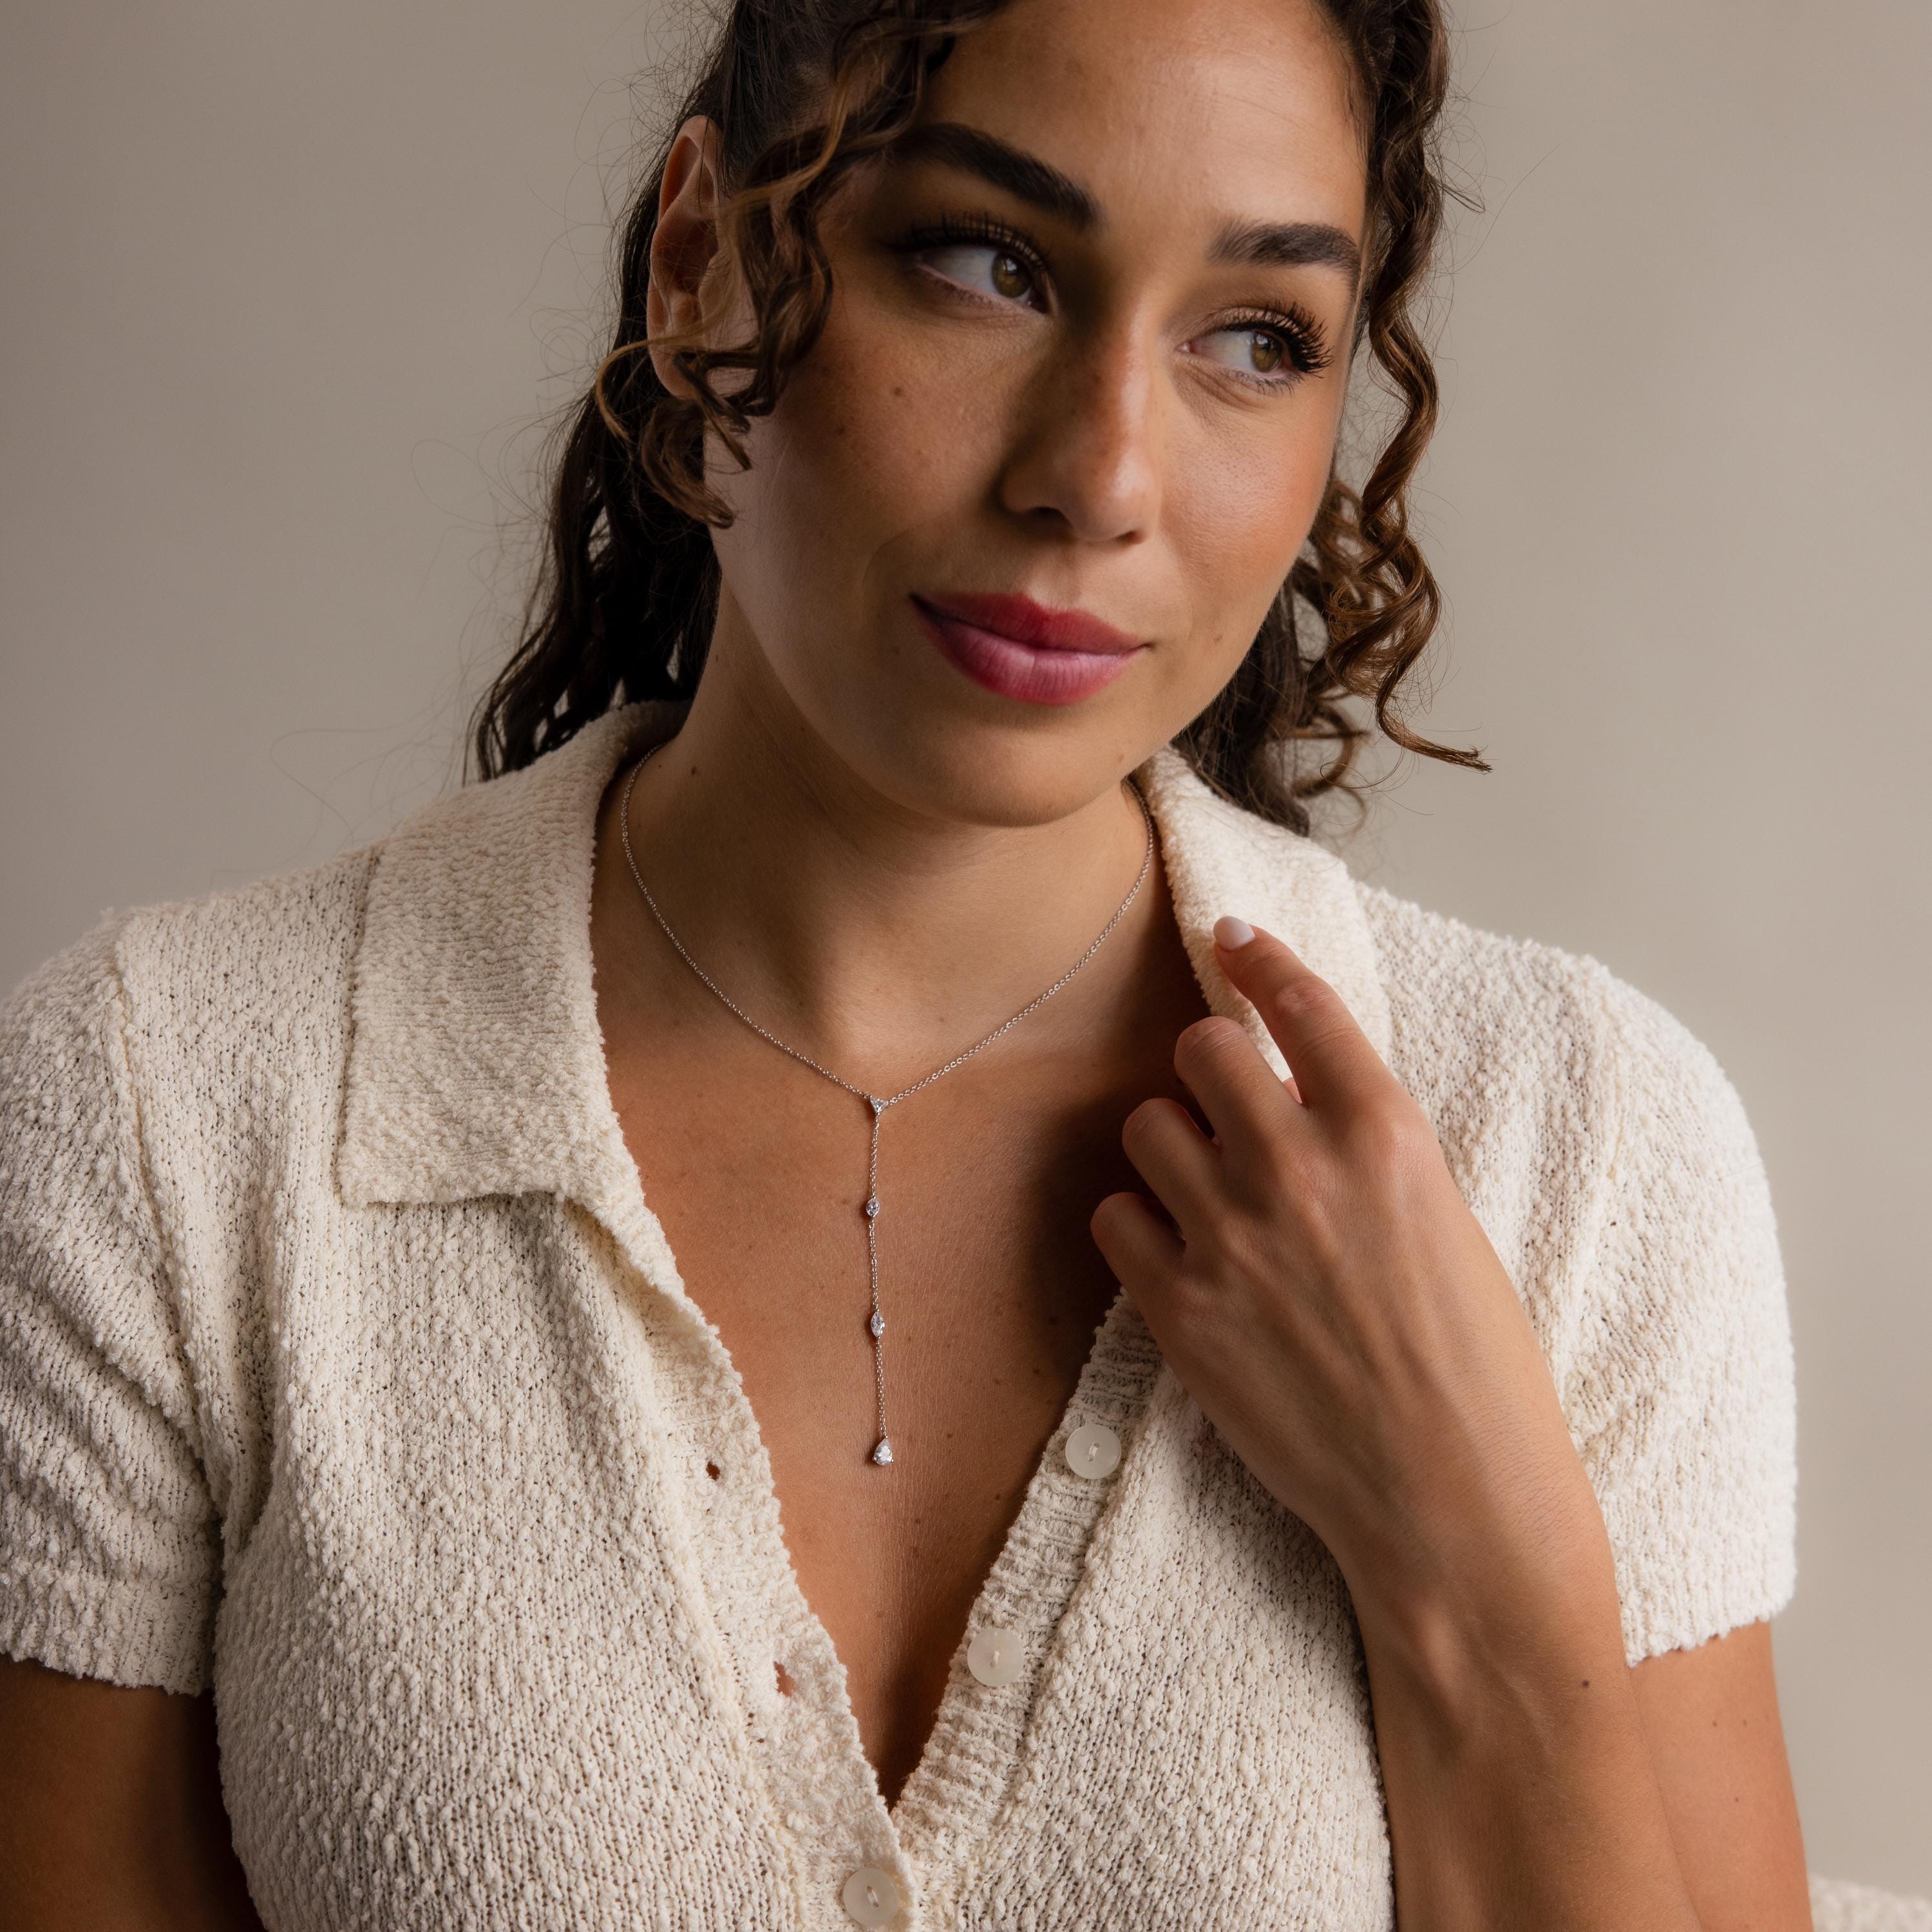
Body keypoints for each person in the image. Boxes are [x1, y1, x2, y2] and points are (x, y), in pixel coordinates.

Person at [0, 0, 1819, 1925]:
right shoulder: (161, 1121)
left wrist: (1477, 1569)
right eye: (987, 264)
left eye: (1255, 337)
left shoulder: (1576, 1151)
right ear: (700, 267)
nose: (1102, 475)